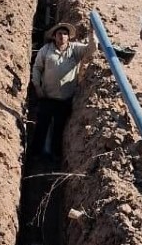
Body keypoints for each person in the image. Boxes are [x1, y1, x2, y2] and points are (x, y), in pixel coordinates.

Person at [30, 23, 95, 158]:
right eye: (59, 34)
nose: (62, 36)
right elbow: (37, 68)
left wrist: (92, 33)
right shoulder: (46, 50)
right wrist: (37, 86)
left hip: (65, 99)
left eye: (65, 34)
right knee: (41, 126)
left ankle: (54, 157)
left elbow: (91, 49)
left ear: (68, 37)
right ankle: (35, 155)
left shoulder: (75, 50)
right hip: (47, 96)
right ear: (54, 36)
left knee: (59, 129)